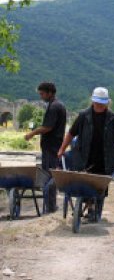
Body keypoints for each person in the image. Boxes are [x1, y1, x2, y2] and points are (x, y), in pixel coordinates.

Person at [57, 87, 114, 175]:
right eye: (97, 103)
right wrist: (62, 149)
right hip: (85, 159)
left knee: (101, 186)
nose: (99, 105)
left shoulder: (113, 118)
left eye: (102, 103)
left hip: (105, 161)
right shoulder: (83, 116)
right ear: (93, 101)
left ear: (107, 103)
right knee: (83, 185)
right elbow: (71, 133)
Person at [25, 82, 66, 212]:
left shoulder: (54, 107)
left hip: (51, 147)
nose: (41, 96)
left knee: (49, 175)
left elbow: (48, 127)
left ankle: (50, 206)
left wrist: (32, 133)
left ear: (50, 93)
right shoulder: (56, 105)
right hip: (53, 146)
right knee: (50, 174)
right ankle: (51, 205)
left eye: (42, 94)